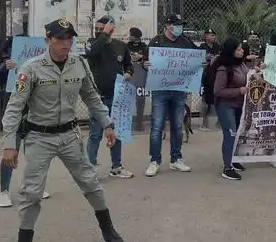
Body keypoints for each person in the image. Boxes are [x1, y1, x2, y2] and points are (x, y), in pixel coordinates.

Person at [1, 19, 127, 242]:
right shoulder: (30, 69)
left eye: (69, 39)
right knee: (31, 193)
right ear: (48, 40)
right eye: (60, 39)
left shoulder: (79, 64)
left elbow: (91, 97)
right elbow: (14, 108)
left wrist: (107, 124)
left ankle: (109, 231)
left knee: (91, 183)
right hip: (39, 137)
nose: (66, 44)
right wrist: (9, 145)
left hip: (70, 136)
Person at [0, 36, 49, 208]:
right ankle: (3, 191)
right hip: (17, 111)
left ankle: (34, 186)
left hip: (36, 110)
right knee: (11, 150)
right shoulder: (7, 62)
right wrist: (6, 68)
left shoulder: (42, 62)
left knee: (37, 152)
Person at [143, 14, 196, 177]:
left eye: (181, 25)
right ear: (167, 25)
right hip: (160, 89)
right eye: (176, 24)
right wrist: (145, 64)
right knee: (157, 126)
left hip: (179, 89)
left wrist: (200, 63)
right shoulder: (156, 42)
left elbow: (195, 58)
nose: (179, 28)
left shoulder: (185, 42)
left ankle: (176, 159)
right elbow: (145, 61)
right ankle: (154, 160)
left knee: (178, 126)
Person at [84, 16, 134, 179]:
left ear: (112, 30)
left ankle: (116, 167)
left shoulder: (120, 46)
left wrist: (128, 73)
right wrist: (104, 34)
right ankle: (90, 170)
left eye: (102, 29)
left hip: (117, 97)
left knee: (116, 133)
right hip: (98, 98)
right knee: (95, 134)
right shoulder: (91, 43)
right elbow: (93, 51)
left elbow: (128, 64)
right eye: (97, 29)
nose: (98, 31)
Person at [212, 39, 250, 181]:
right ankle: (227, 168)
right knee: (230, 134)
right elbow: (218, 91)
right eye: (238, 49)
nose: (242, 51)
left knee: (237, 134)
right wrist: (238, 91)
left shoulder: (241, 65)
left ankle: (233, 160)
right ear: (231, 51)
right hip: (226, 106)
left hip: (240, 105)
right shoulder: (224, 68)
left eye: (241, 49)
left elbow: (248, 76)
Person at [197, 29, 221, 130]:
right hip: (205, 74)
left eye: (214, 35)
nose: (213, 37)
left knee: (216, 98)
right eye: (211, 35)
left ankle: (217, 122)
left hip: (215, 74)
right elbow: (198, 60)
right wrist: (206, 58)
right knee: (205, 99)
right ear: (206, 36)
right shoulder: (202, 47)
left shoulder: (217, 46)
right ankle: (204, 122)